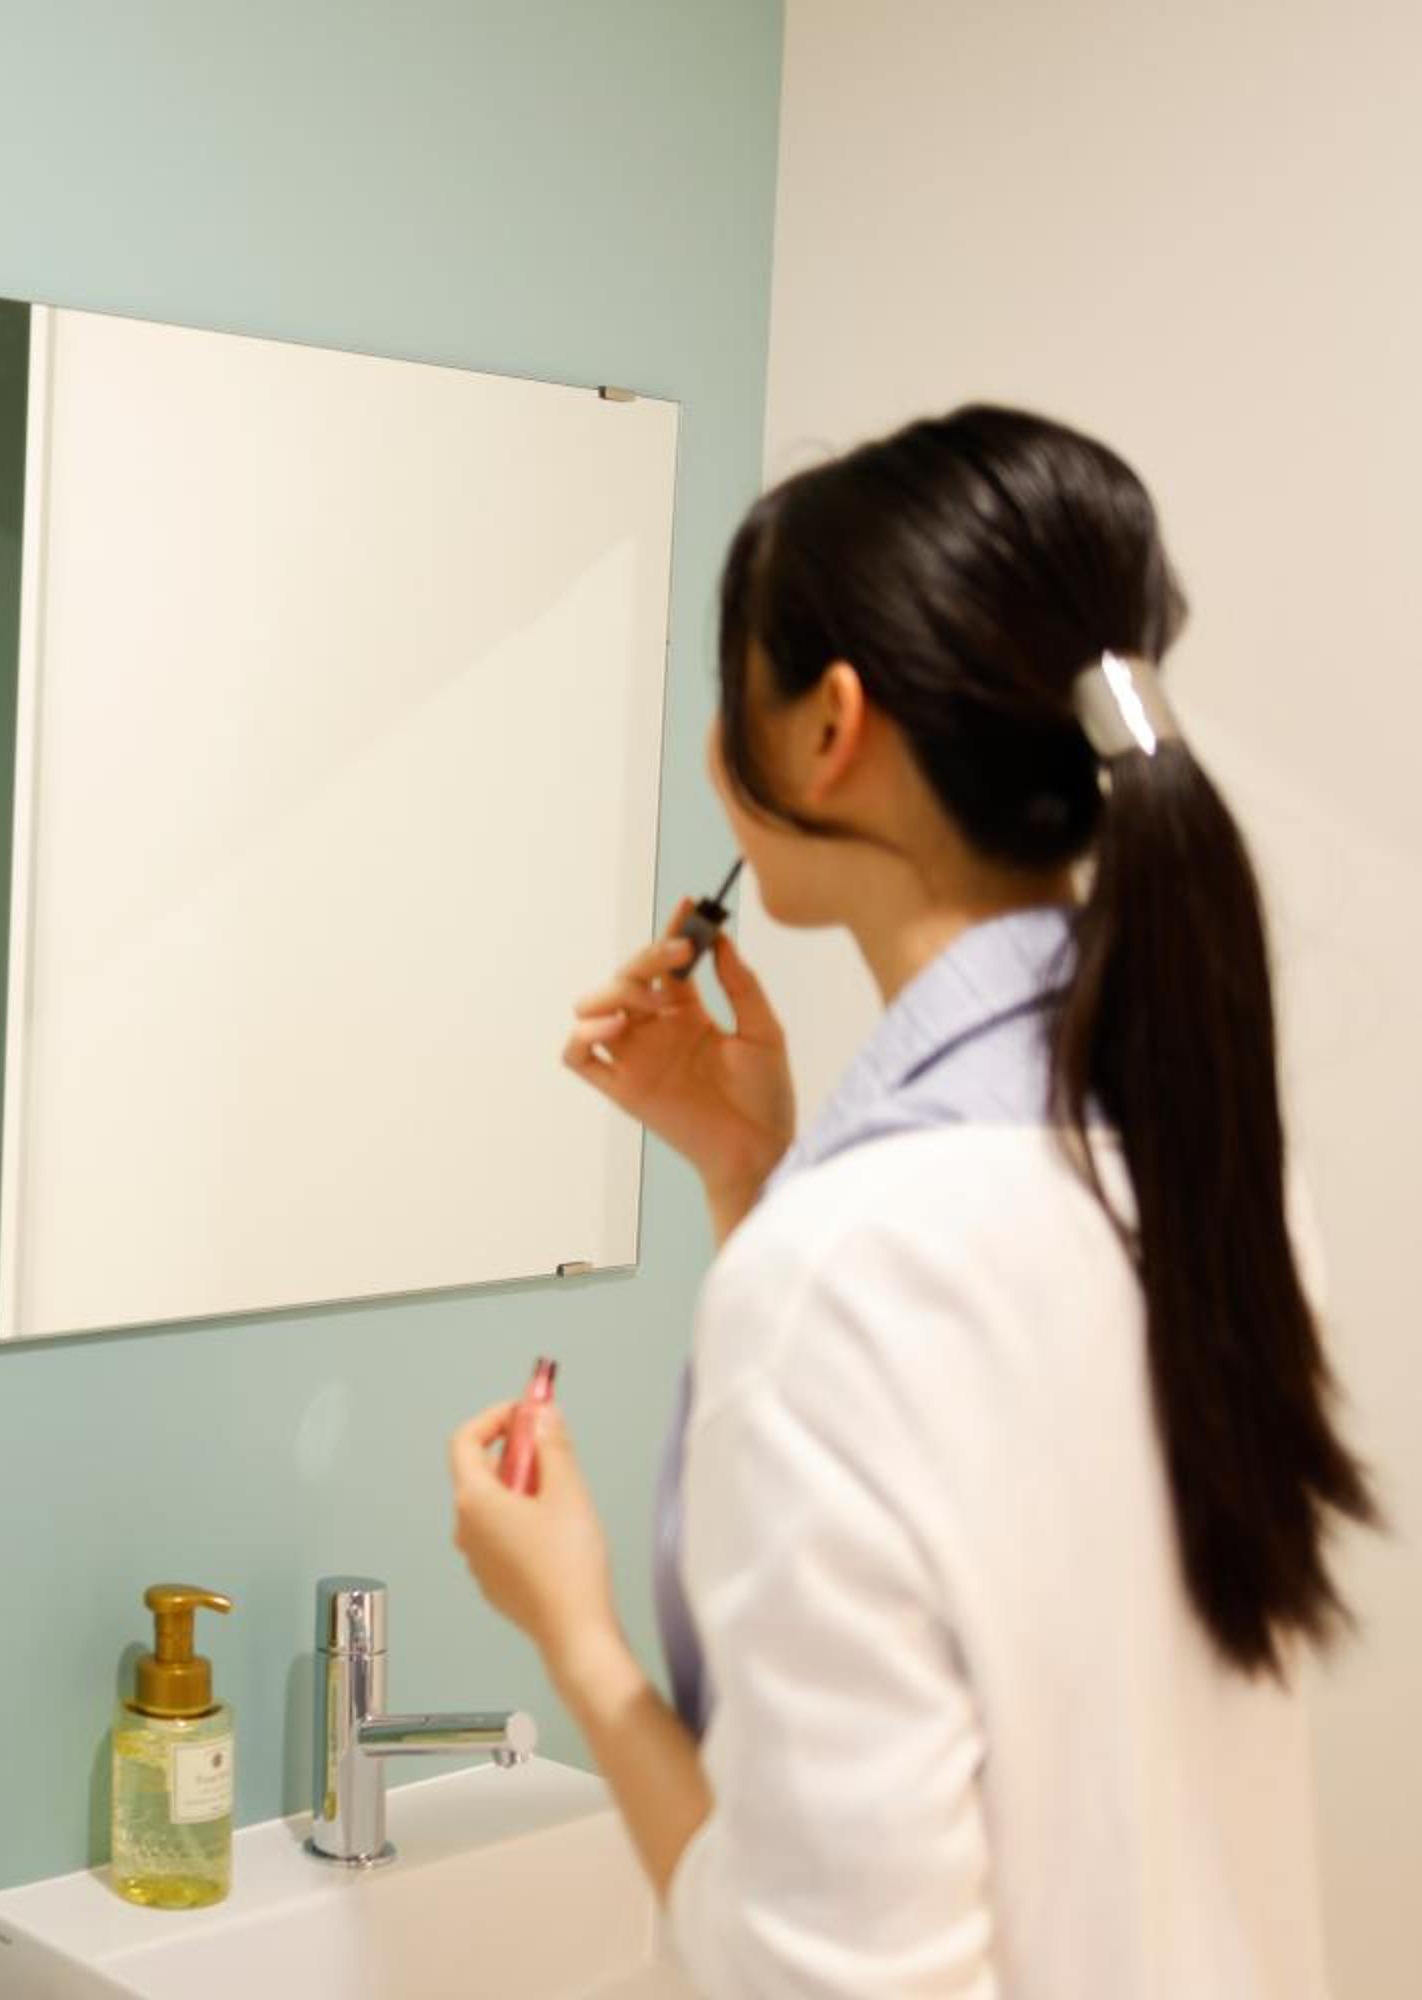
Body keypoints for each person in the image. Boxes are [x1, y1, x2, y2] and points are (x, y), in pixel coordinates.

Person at [450, 406, 1375, 1995]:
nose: (712, 750)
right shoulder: (1206, 1170)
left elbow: (823, 1970)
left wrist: (577, 1640)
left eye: (731, 691)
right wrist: (752, 1174)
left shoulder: (849, 1268)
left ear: (830, 727)